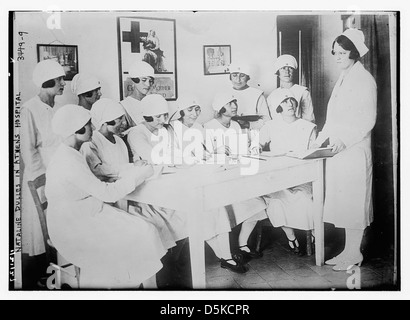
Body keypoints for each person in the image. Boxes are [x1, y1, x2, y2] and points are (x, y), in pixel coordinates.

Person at [45, 104, 166, 289]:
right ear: (77, 129)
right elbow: (107, 194)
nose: (93, 129)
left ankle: (143, 286)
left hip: (85, 211)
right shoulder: (68, 161)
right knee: (137, 234)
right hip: (72, 224)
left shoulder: (70, 152)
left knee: (145, 229)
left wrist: (132, 172)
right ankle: (128, 286)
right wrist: (140, 174)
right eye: (88, 125)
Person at [312, 28, 377, 271]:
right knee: (342, 201)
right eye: (335, 53)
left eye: (342, 52)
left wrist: (343, 140)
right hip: (338, 152)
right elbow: (333, 118)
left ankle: (354, 253)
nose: (337, 57)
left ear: (355, 53)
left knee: (353, 202)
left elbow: (366, 119)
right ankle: (348, 251)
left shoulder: (364, 79)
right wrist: (320, 140)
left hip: (353, 150)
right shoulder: (343, 78)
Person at [81, 97, 178, 251]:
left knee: (168, 218)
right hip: (107, 200)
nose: (123, 123)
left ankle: (166, 268)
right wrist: (132, 167)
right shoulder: (90, 144)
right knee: (153, 224)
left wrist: (138, 169)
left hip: (128, 194)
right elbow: (100, 170)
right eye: (119, 120)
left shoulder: (119, 141)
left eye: (122, 118)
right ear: (105, 122)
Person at [168, 94, 247, 273]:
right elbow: (173, 158)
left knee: (216, 208)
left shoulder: (198, 127)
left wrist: (217, 151)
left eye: (197, 109)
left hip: (201, 177)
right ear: (181, 111)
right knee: (206, 211)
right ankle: (224, 256)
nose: (195, 113)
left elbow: (206, 151)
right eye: (190, 109)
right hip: (181, 181)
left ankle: (225, 255)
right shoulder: (172, 128)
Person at [204, 92, 267, 261]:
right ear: (220, 108)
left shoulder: (236, 125)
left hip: (236, 176)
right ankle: (226, 251)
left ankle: (242, 243)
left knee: (258, 204)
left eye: (235, 102)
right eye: (230, 103)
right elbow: (205, 157)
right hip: (219, 181)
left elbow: (240, 151)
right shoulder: (209, 127)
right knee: (224, 211)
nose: (234, 106)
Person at [260, 89, 317, 255]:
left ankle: (313, 236)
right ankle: (291, 236)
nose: (290, 104)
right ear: (278, 107)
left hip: (303, 177)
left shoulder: (308, 127)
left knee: (305, 200)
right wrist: (262, 150)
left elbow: (314, 153)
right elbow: (256, 146)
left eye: (292, 100)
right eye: (285, 102)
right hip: (278, 178)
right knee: (276, 202)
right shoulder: (270, 126)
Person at [21, 59, 66, 258]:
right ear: (46, 82)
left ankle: (62, 266)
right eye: (59, 80)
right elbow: (28, 149)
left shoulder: (57, 108)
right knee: (42, 228)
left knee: (61, 223)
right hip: (41, 178)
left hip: (59, 174)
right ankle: (43, 273)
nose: (63, 84)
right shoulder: (29, 109)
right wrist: (44, 181)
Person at [267, 54, 315, 123]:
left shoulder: (303, 92)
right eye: (283, 68)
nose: (287, 71)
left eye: (290, 68)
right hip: (277, 131)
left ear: (294, 71)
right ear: (278, 72)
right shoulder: (272, 95)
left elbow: (309, 119)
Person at [228, 62, 271, 130]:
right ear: (230, 77)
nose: (238, 80)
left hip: (252, 133)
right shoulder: (224, 94)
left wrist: (248, 124)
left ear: (248, 77)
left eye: (242, 76)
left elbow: (267, 120)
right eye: (234, 75)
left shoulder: (258, 95)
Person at [120, 60, 155, 128]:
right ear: (134, 81)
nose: (148, 84)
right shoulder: (124, 106)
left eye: (150, 81)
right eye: (144, 80)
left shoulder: (152, 103)